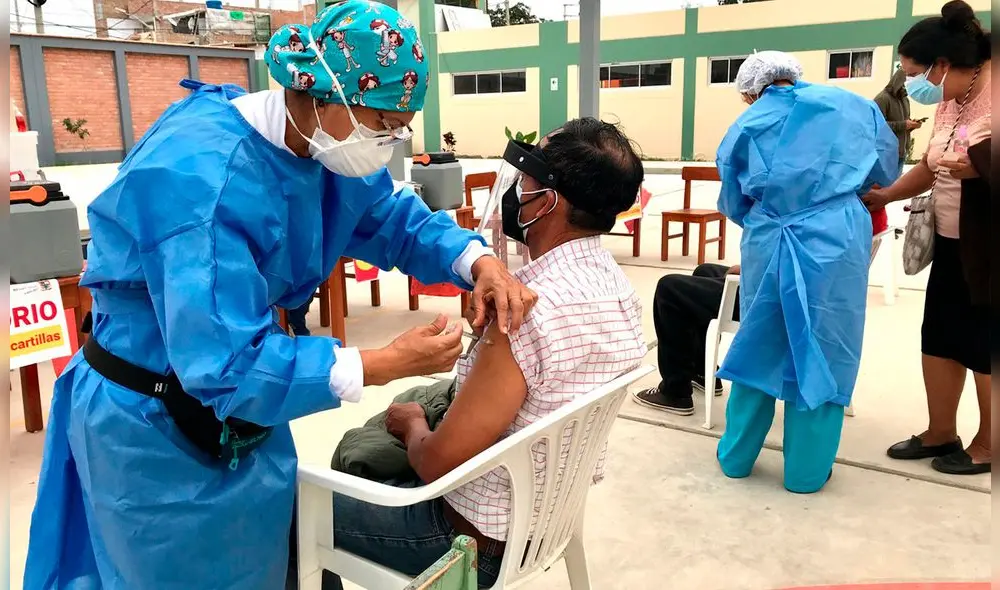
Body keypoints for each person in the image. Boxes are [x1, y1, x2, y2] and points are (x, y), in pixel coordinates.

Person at [23, 3, 536, 589]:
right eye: (380, 123)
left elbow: (390, 216)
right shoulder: (202, 180)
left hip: (246, 413)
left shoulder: (321, 149)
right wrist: (382, 363)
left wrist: (476, 261)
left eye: (400, 128)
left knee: (264, 561)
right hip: (152, 423)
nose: (387, 142)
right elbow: (224, 363)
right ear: (319, 91)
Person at [322, 118, 648, 588]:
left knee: (290, 510)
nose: (516, 191)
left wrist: (411, 424)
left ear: (547, 202)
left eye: (526, 181)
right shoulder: (618, 289)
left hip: (465, 540)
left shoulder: (525, 312)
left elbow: (434, 463)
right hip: (544, 521)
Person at [713, 51, 898, 494]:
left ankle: (736, 458)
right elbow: (885, 169)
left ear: (750, 92)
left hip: (771, 234)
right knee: (827, 343)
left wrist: (773, 212)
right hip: (838, 237)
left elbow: (733, 198)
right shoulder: (853, 106)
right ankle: (807, 473)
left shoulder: (747, 123)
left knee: (759, 339)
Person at [863, 0, 991, 475]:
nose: (913, 84)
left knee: (984, 345)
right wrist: (886, 195)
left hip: (988, 247)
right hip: (951, 240)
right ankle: (941, 430)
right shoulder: (950, 101)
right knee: (939, 336)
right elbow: (929, 165)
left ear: (942, 65)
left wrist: (980, 166)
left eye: (916, 74)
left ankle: (990, 443)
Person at [633, 263, 739, 415]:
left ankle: (675, 392)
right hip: (766, 284)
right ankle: (702, 372)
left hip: (762, 297)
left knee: (669, 288)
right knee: (705, 271)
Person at [874, 67, 922, 177]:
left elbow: (904, 124)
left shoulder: (905, 100)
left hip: (901, 153)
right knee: (883, 185)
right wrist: (904, 125)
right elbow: (876, 125)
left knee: (895, 185)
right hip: (886, 154)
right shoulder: (882, 98)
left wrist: (912, 125)